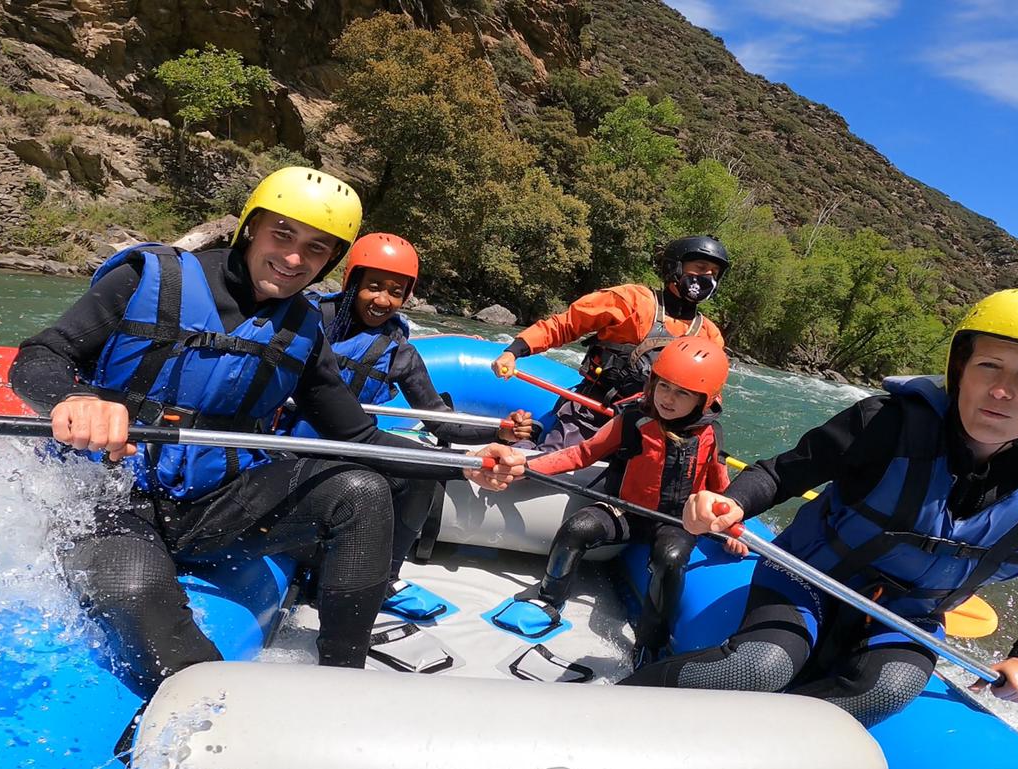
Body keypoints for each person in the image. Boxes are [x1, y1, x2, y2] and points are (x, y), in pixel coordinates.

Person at [7, 167, 524, 729]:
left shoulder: (304, 329)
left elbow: (358, 437)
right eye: (282, 235)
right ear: (250, 228)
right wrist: (74, 399)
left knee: (362, 489)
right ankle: (214, 714)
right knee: (133, 585)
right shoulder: (147, 277)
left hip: (213, 503)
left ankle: (342, 681)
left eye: (315, 248)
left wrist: (466, 462)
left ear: (330, 261)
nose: (294, 259)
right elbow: (38, 358)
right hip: (107, 498)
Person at [623, 289, 1018, 728]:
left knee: (888, 689)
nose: (1002, 390)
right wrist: (731, 502)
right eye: (989, 365)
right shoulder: (884, 423)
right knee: (758, 665)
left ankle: (763, 756)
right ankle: (619, 704)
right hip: (805, 580)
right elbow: (782, 473)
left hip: (907, 615)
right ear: (960, 369)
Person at [278, 231, 535, 596]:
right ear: (353, 282)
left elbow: (438, 418)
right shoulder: (308, 319)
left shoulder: (400, 353)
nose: (383, 300)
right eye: (375, 287)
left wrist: (499, 432)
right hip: (288, 441)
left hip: (350, 444)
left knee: (420, 478)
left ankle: (383, 577)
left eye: (396, 292)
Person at [486, 336, 745, 655]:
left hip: (676, 522)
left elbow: (720, 488)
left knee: (671, 559)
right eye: (663, 386)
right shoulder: (633, 421)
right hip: (628, 511)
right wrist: (526, 463)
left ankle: (652, 642)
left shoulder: (710, 435)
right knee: (577, 528)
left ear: (703, 401)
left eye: (682, 393)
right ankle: (549, 601)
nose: (668, 398)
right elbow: (580, 455)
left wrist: (733, 529)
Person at [491, 236, 730, 451]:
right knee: (555, 458)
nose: (707, 277)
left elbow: (711, 397)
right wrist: (514, 352)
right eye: (700, 268)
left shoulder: (709, 335)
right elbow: (565, 325)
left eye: (714, 273)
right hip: (594, 410)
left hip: (652, 427)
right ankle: (523, 443)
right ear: (675, 267)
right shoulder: (631, 300)